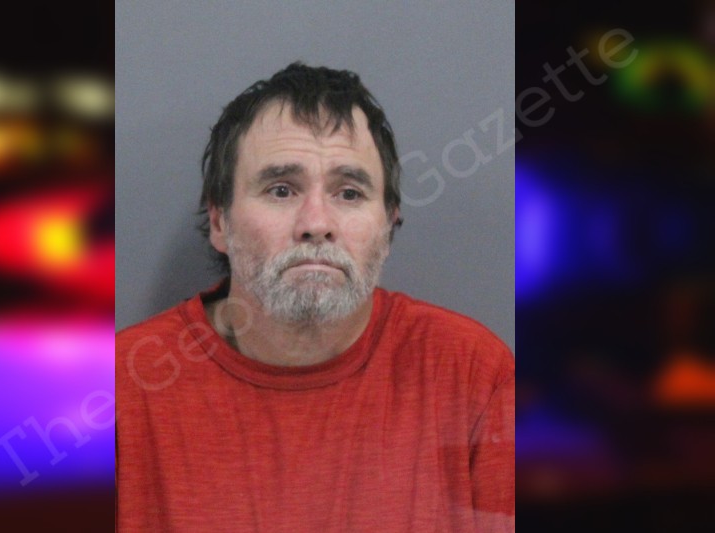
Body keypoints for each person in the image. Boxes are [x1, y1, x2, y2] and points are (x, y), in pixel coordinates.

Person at [116, 62, 514, 532]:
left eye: (349, 193)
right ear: (220, 222)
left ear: (388, 225)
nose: (317, 223)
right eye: (281, 190)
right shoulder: (117, 389)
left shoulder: (474, 374)